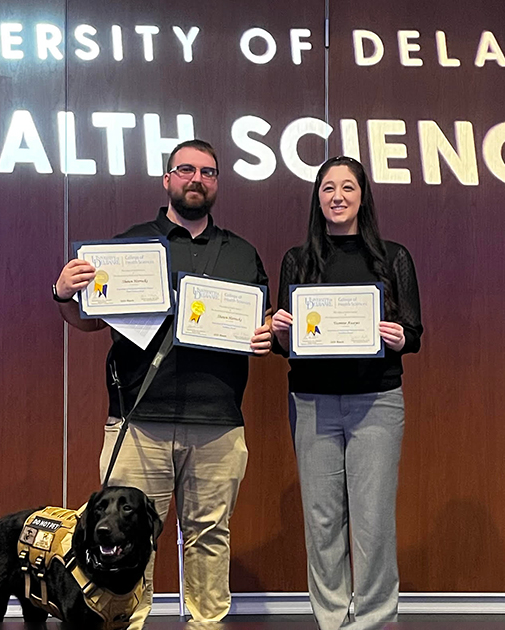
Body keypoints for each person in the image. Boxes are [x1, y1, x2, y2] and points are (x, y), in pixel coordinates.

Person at [53, 139, 273, 627]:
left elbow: (260, 322)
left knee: (210, 536)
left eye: (209, 173)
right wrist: (64, 293)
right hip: (138, 420)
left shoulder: (242, 253)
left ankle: (207, 624)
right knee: (121, 535)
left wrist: (265, 334)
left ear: (217, 183)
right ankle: (128, 623)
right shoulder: (127, 246)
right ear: (167, 178)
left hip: (217, 421)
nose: (197, 179)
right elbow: (90, 321)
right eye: (186, 170)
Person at [270, 155, 423, 630]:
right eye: (328, 188)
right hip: (312, 402)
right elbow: (284, 343)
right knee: (321, 522)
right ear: (317, 198)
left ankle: (375, 620)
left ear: (362, 197)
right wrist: (278, 331)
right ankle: (332, 620)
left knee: (373, 520)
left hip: (376, 401)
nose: (337, 196)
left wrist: (400, 336)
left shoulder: (393, 257)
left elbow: (414, 332)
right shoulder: (297, 260)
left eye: (348, 188)